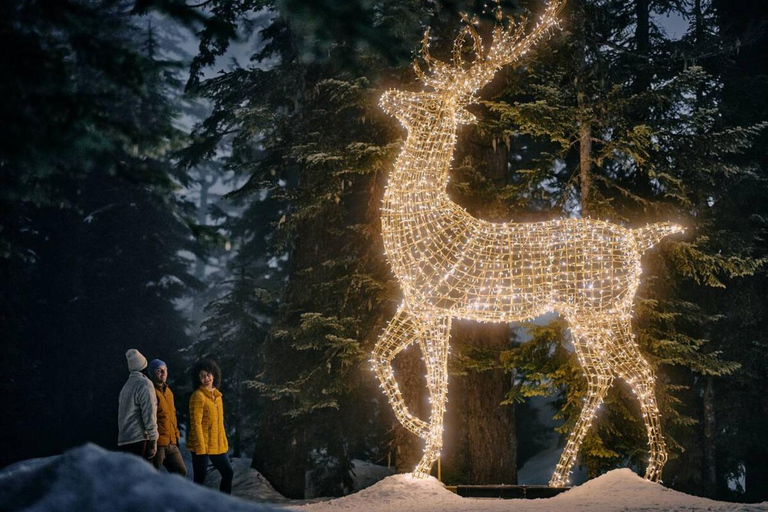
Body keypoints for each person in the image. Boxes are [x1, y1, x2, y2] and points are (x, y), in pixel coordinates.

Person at [187, 358, 233, 494]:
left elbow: (219, 423)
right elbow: (195, 424)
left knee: (228, 473)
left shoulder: (218, 396)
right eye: (202, 376)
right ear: (198, 379)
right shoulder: (198, 396)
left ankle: (224, 505)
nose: (206, 378)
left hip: (216, 444)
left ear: (214, 375)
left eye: (208, 374)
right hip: (200, 446)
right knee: (199, 481)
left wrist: (223, 442)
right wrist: (201, 448)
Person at [147, 359, 187, 476]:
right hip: (157, 444)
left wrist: (176, 435)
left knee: (181, 472)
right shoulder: (149, 392)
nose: (163, 373)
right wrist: (152, 441)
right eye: (159, 370)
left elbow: (172, 416)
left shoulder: (169, 392)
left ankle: (173, 494)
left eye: (165, 370)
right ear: (152, 373)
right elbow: (148, 418)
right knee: (151, 475)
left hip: (171, 443)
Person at [117, 349, 158, 460]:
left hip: (124, 439)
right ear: (144, 365)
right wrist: (153, 438)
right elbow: (149, 413)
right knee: (142, 475)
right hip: (139, 439)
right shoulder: (145, 384)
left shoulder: (126, 386)